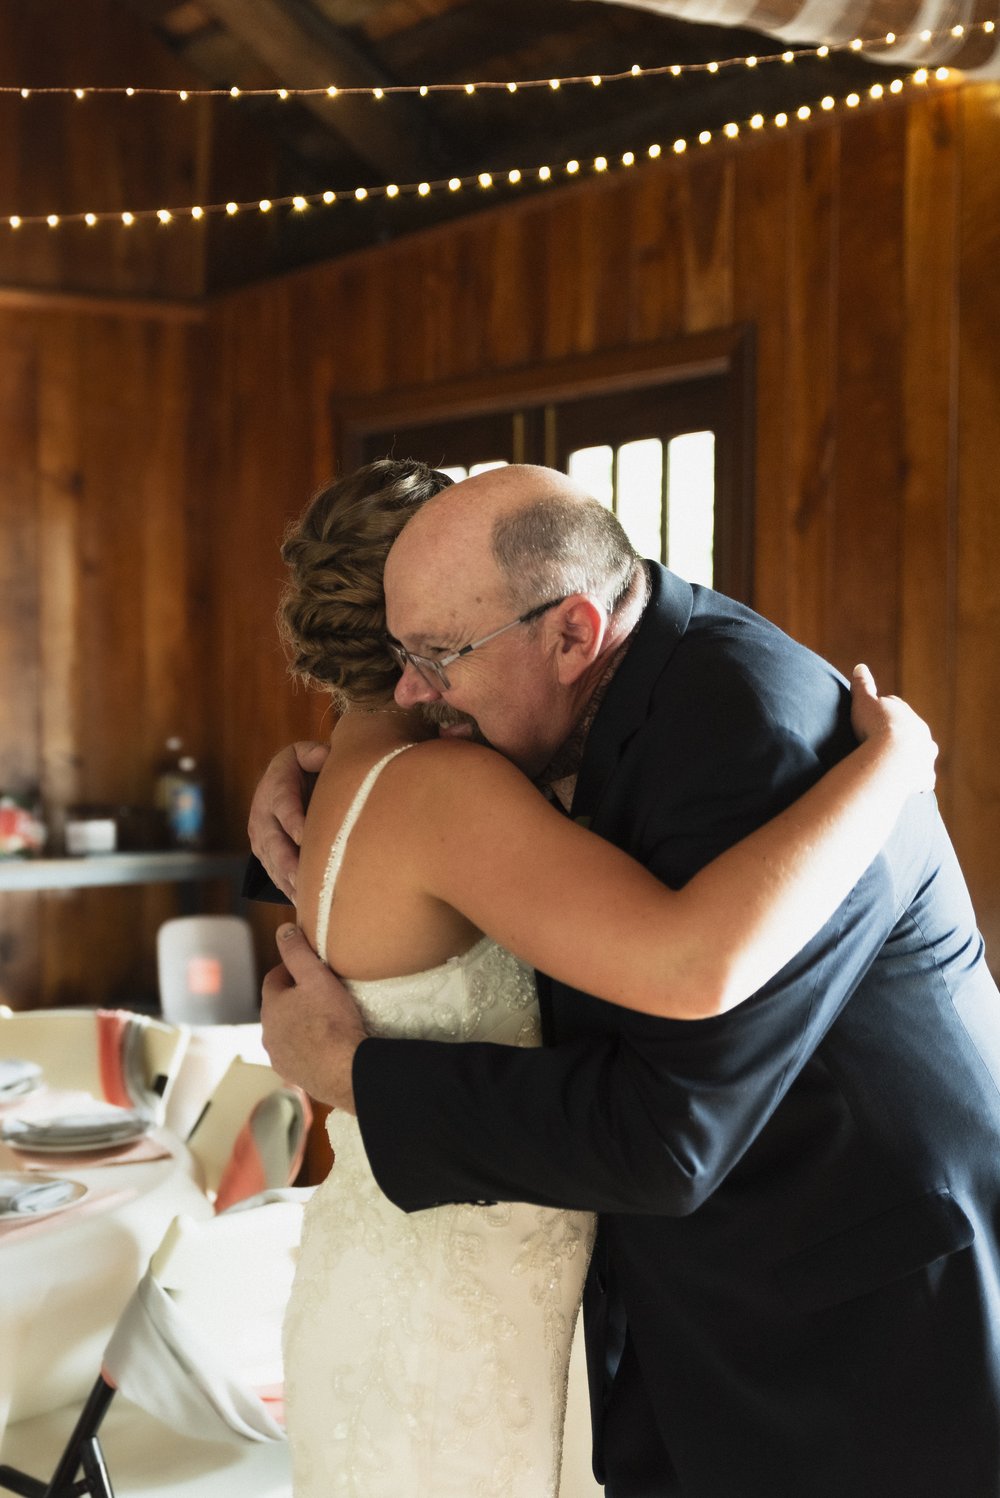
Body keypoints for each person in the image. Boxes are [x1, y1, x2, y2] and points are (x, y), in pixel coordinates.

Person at [255, 462, 987, 1498]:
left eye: (435, 658)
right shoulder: (557, 696)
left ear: (571, 633)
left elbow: (669, 1132)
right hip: (679, 1305)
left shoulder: (746, 730)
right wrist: (311, 790)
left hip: (849, 1311)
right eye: (397, 658)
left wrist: (355, 1073)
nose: (415, 691)